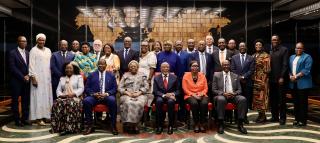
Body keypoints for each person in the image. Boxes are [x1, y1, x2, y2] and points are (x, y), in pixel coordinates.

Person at [82, 59, 118, 135]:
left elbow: (115, 88)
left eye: (102, 64)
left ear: (106, 65)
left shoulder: (111, 75)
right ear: (97, 65)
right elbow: (87, 88)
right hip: (95, 96)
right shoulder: (92, 75)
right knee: (86, 101)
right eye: (99, 64)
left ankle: (113, 125)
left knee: (112, 100)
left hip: (107, 96)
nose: (101, 65)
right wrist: (93, 94)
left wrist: (107, 94)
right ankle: (89, 126)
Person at [212, 60, 247, 134]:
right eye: (224, 65)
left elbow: (240, 90)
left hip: (233, 96)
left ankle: (240, 124)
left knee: (242, 99)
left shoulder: (235, 75)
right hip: (222, 96)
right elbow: (214, 90)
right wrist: (223, 93)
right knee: (221, 99)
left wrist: (234, 93)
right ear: (222, 66)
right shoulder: (216, 75)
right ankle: (221, 124)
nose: (226, 66)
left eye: (227, 65)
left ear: (230, 65)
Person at [50, 62, 84, 135]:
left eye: (70, 68)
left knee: (69, 103)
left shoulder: (78, 77)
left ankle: (69, 128)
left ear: (73, 69)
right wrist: (61, 95)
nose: (68, 69)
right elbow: (58, 90)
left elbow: (81, 88)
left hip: (75, 97)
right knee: (56, 103)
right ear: (64, 69)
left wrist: (74, 94)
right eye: (67, 68)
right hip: (64, 97)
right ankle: (58, 127)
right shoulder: (62, 78)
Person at [29, 33, 53, 126]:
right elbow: (31, 65)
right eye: (40, 40)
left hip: (47, 78)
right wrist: (33, 77)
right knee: (38, 98)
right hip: (37, 78)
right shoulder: (33, 50)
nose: (41, 41)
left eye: (43, 40)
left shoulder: (48, 50)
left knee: (46, 97)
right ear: (36, 40)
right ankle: (38, 118)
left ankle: (46, 116)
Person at [119, 60, 149, 134]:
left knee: (138, 103)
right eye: (131, 66)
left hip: (140, 94)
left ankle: (135, 124)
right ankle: (127, 124)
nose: (133, 67)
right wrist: (127, 93)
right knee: (128, 102)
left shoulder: (143, 75)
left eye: (135, 66)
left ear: (138, 67)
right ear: (129, 68)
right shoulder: (125, 75)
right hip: (127, 94)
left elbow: (146, 86)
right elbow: (120, 87)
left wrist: (139, 93)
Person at [289, 42, 313, 127]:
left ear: (303, 49)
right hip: (293, 83)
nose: (298, 49)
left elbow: (306, 70)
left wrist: (296, 76)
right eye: (297, 48)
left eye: (300, 48)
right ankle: (297, 119)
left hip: (303, 84)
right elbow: (289, 69)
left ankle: (303, 121)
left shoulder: (307, 57)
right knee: (296, 102)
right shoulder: (292, 57)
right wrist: (290, 76)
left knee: (302, 103)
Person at [230, 42, 255, 123]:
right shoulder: (234, 57)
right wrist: (239, 78)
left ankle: (244, 117)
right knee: (238, 100)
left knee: (246, 101)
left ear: (246, 47)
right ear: (239, 47)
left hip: (247, 82)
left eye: (243, 46)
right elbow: (232, 69)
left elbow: (251, 70)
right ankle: (237, 117)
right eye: (241, 46)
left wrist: (244, 77)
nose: (242, 47)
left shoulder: (251, 58)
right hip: (237, 83)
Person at [9, 36, 30, 126]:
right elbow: (12, 68)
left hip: (26, 81)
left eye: (25, 41)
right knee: (15, 101)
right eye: (22, 41)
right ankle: (17, 120)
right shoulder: (12, 53)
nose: (23, 43)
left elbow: (30, 66)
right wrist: (23, 77)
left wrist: (29, 75)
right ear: (18, 42)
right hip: (16, 81)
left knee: (25, 100)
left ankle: (24, 119)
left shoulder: (28, 53)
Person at [153, 62, 180, 135]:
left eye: (167, 67)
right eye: (163, 67)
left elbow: (178, 90)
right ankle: (159, 126)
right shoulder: (156, 78)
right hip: (161, 96)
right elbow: (155, 91)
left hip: (171, 97)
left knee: (171, 102)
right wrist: (165, 95)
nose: (165, 68)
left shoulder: (174, 77)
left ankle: (170, 125)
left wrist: (172, 94)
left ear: (169, 68)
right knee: (158, 101)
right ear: (160, 69)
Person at [182, 61, 208, 133]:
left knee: (204, 103)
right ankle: (196, 123)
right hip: (190, 95)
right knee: (194, 103)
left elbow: (206, 88)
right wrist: (193, 95)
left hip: (202, 94)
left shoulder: (202, 75)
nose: (195, 67)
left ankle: (202, 123)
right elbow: (185, 88)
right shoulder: (186, 76)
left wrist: (201, 94)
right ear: (190, 67)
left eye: (196, 66)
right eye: (193, 66)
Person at [269, 34, 288, 125]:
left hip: (280, 80)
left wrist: (282, 77)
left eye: (276, 39)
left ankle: (283, 117)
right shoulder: (270, 51)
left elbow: (285, 65)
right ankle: (274, 116)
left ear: (279, 40)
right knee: (273, 100)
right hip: (271, 80)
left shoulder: (284, 50)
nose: (274, 41)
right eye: (273, 40)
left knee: (281, 100)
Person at [252, 39, 270, 123]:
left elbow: (267, 70)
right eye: (256, 45)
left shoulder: (266, 55)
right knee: (256, 98)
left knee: (262, 98)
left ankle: (263, 116)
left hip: (263, 80)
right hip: (255, 80)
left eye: (259, 45)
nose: (258, 46)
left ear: (262, 46)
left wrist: (263, 81)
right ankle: (260, 115)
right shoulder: (253, 55)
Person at [174, 40, 190, 121]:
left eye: (180, 44)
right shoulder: (172, 54)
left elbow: (188, 68)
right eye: (177, 44)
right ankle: (174, 116)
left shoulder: (186, 55)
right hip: (172, 81)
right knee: (175, 97)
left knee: (183, 98)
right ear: (174, 45)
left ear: (182, 45)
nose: (179, 46)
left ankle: (183, 116)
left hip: (183, 79)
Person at [138, 41, 157, 106]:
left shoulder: (151, 55)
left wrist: (149, 80)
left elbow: (152, 68)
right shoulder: (139, 55)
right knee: (141, 94)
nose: (144, 47)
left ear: (148, 47)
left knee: (148, 95)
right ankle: (141, 113)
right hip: (139, 79)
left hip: (148, 78)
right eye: (142, 45)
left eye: (146, 46)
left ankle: (147, 114)